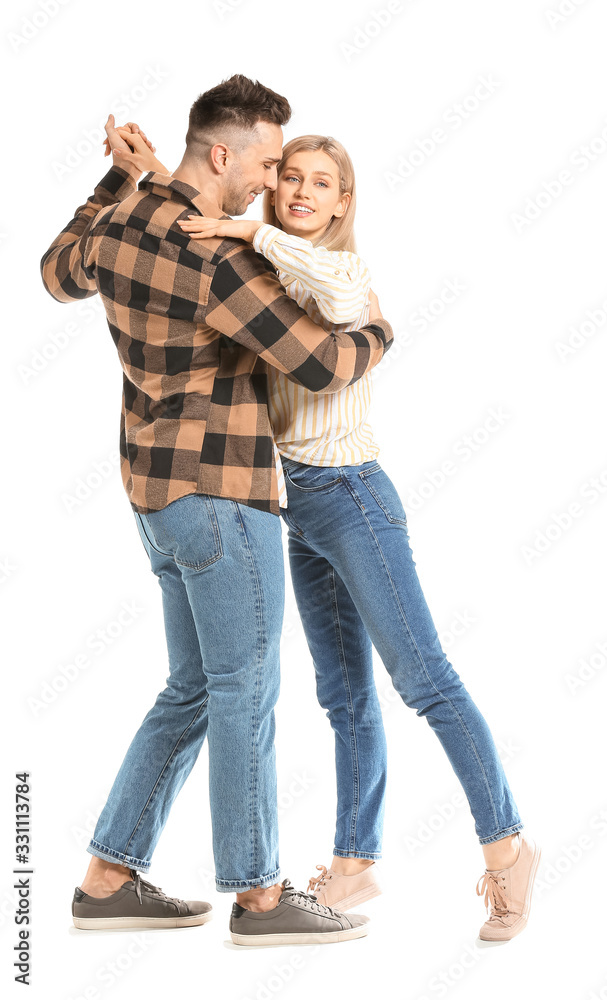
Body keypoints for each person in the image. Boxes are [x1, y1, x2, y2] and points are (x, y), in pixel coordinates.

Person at [139, 129, 541, 943]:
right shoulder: (265, 275)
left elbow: (332, 286)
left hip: (352, 497)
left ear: (342, 202)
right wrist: (151, 173)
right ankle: (355, 863)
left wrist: (253, 230)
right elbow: (210, 221)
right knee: (343, 696)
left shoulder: (341, 273)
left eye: (321, 184)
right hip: (291, 504)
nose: (300, 192)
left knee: (423, 677)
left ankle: (507, 849)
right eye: (288, 178)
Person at [39, 75, 395, 946]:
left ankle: (107, 876)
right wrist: (378, 333)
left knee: (195, 686)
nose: (277, 184)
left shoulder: (123, 222)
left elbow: (57, 275)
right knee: (245, 689)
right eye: (271, 162)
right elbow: (316, 363)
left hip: (154, 498)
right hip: (224, 496)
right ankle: (261, 896)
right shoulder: (222, 258)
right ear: (225, 154)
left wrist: (123, 176)